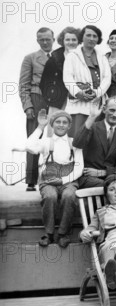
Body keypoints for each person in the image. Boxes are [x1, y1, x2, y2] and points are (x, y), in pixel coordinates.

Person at [25, 110, 83, 247]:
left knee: (69, 196)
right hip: (49, 180)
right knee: (50, 196)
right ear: (52, 124)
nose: (61, 125)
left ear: (69, 126)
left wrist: (63, 181)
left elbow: (79, 168)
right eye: (58, 122)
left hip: (68, 180)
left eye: (65, 122)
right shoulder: (46, 142)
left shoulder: (74, 143)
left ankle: (63, 233)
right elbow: (28, 146)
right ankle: (49, 234)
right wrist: (40, 127)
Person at [21, 27, 55, 188]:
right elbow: (23, 84)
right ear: (37, 41)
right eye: (42, 39)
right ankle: (31, 181)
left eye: (48, 39)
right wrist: (28, 106)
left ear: (53, 39)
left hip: (56, 101)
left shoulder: (59, 58)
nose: (45, 42)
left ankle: (53, 177)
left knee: (56, 138)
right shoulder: (30, 58)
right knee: (34, 138)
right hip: (37, 99)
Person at [63, 25, 111, 136]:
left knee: (94, 139)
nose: (91, 38)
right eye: (88, 35)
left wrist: (98, 92)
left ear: (98, 39)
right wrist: (78, 93)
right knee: (77, 137)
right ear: (82, 37)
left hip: (96, 104)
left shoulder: (102, 58)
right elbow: (67, 77)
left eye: (95, 36)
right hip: (78, 105)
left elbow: (107, 78)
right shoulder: (72, 56)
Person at [73, 98, 116, 188]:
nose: (114, 115)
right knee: (111, 187)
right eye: (112, 110)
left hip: (109, 177)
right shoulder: (93, 127)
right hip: (88, 177)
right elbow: (77, 143)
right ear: (104, 109)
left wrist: (102, 172)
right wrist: (91, 117)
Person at [40, 26, 79, 115]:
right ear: (62, 41)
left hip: (77, 101)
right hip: (57, 101)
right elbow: (43, 83)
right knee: (55, 125)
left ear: (78, 41)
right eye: (67, 40)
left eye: (74, 40)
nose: (71, 42)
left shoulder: (83, 58)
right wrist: (51, 97)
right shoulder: (53, 59)